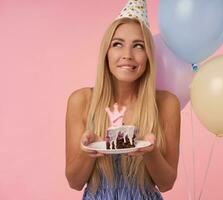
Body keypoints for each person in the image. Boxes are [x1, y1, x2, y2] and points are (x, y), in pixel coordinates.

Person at [65, 1, 180, 199]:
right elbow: (74, 182)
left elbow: (166, 183)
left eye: (138, 46)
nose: (127, 55)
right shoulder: (81, 101)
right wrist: (87, 151)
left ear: (148, 56)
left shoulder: (167, 104)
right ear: (106, 53)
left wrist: (150, 152)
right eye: (117, 44)